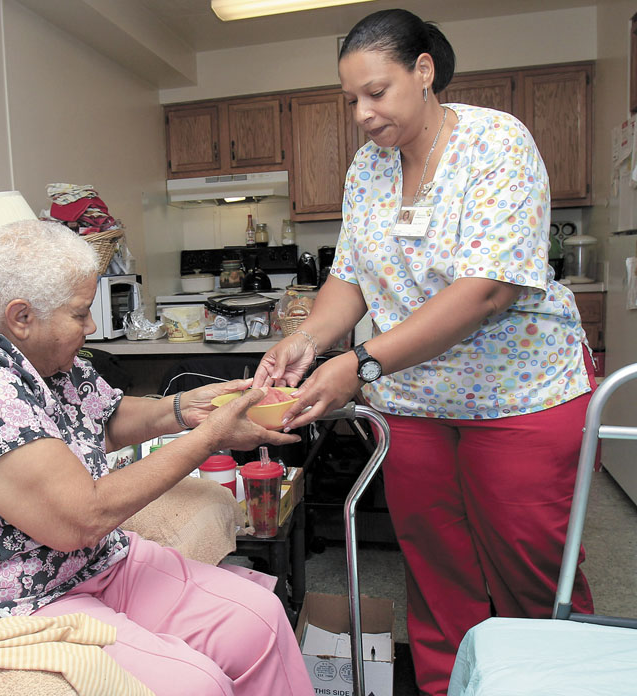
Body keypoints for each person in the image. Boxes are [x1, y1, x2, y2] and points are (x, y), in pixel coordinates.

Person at [253, 9, 596, 696]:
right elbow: (350, 276)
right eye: (351, 98)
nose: (361, 113)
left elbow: (485, 292)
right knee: (437, 570)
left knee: (531, 569)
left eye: (376, 92)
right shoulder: (367, 167)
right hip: (414, 404)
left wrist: (361, 364)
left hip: (518, 395)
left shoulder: (496, 143)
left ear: (424, 71)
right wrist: (307, 341)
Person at [0, 220, 315, 696]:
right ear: (21, 316)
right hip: (0, 595)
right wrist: (208, 438)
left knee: (261, 621)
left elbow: (106, 416)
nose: (92, 327)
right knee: (195, 684)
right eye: (80, 313)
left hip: (88, 563)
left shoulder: (42, 356)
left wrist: (187, 409)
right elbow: (81, 517)